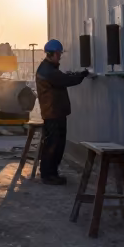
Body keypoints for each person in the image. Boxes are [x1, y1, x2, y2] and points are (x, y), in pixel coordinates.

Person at [34, 39, 90, 185]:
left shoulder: (48, 68)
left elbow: (62, 78)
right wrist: (82, 75)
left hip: (54, 112)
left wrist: (75, 75)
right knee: (53, 145)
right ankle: (49, 175)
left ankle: (50, 173)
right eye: (59, 54)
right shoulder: (48, 71)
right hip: (53, 113)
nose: (60, 57)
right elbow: (65, 80)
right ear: (52, 54)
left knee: (55, 144)